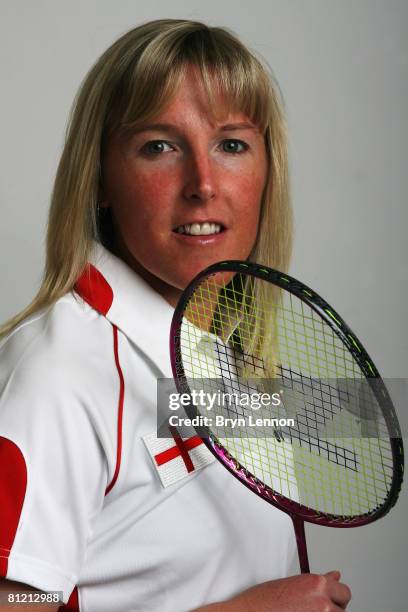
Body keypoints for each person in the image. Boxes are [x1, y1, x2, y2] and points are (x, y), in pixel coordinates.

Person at [0, 19, 352, 611]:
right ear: (101, 179)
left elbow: (342, 419)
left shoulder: (218, 348)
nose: (204, 184)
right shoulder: (57, 372)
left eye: (232, 144)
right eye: (159, 146)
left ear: (268, 172)